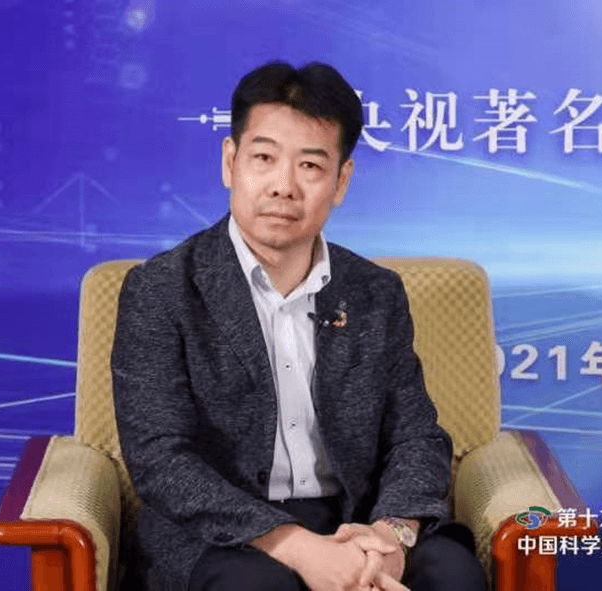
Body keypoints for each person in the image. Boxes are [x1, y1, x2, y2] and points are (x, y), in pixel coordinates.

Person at [111, 61, 486, 591]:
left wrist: (391, 539)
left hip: (357, 518)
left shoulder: (375, 293)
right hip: (223, 535)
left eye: (310, 165)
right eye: (264, 158)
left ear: (341, 181)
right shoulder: (162, 290)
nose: (284, 186)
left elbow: (416, 436)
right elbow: (159, 459)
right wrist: (297, 547)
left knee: (452, 575)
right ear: (230, 162)